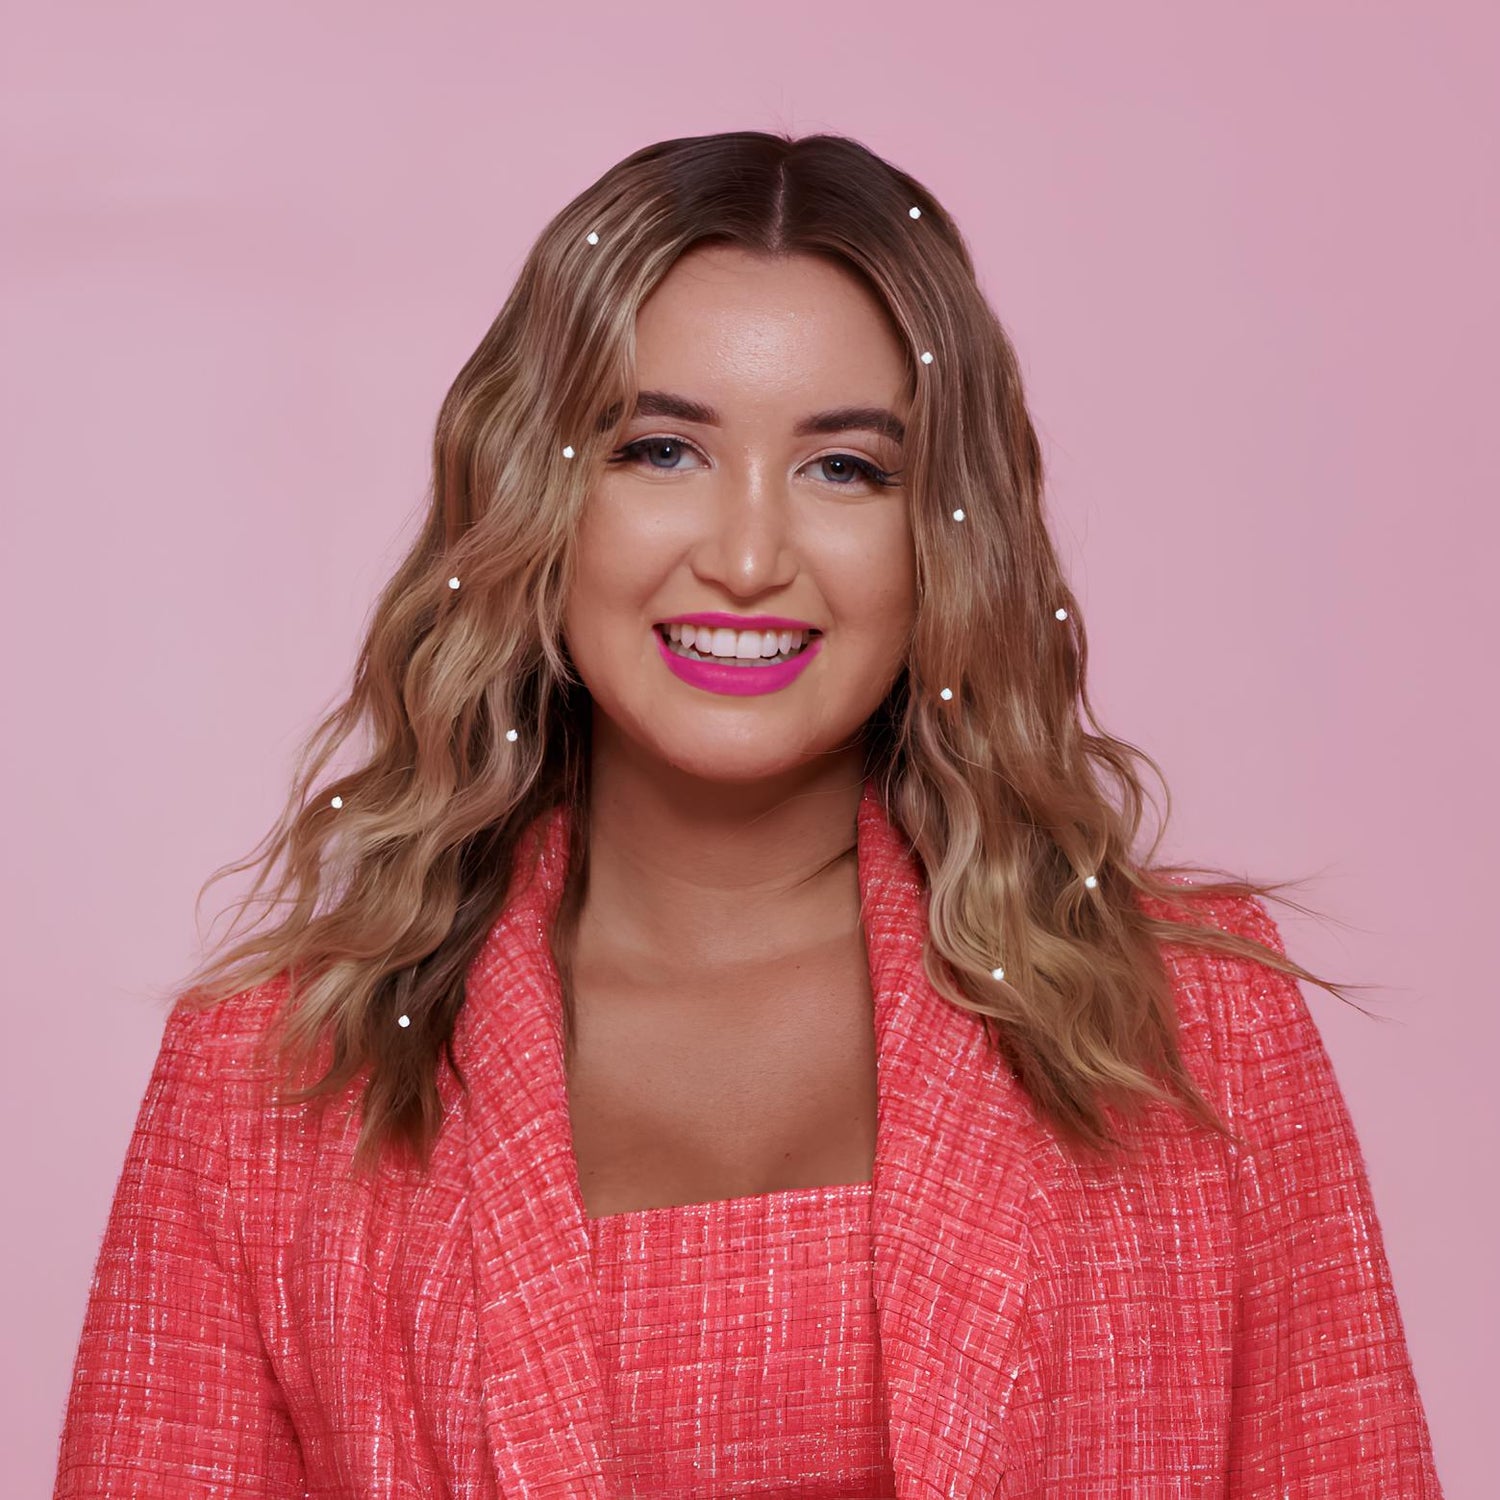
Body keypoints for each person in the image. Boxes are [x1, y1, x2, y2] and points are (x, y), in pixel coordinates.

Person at [52, 130, 1444, 1498]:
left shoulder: (1198, 1029)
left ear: (946, 536)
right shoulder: (269, 1081)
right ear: (536, 499)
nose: (748, 556)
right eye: (662, 450)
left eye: (847, 469)